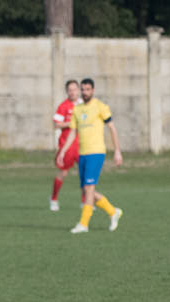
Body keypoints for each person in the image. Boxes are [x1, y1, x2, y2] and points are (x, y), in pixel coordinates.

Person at [56, 78, 123, 233]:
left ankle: (83, 224)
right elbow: (72, 132)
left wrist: (117, 151)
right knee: (86, 191)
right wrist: (63, 151)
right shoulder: (77, 110)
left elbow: (112, 128)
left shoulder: (100, 106)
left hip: (96, 152)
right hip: (83, 154)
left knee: (89, 188)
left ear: (92, 90)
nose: (85, 92)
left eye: (88, 90)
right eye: (83, 90)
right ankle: (113, 211)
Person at [49, 80, 81, 212]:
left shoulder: (84, 105)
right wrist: (72, 123)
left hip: (82, 144)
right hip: (66, 144)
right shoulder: (63, 106)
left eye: (75, 89)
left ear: (78, 90)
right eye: (70, 90)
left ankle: (85, 201)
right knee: (63, 172)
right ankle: (54, 199)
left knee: (85, 173)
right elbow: (56, 124)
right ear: (67, 91)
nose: (73, 92)